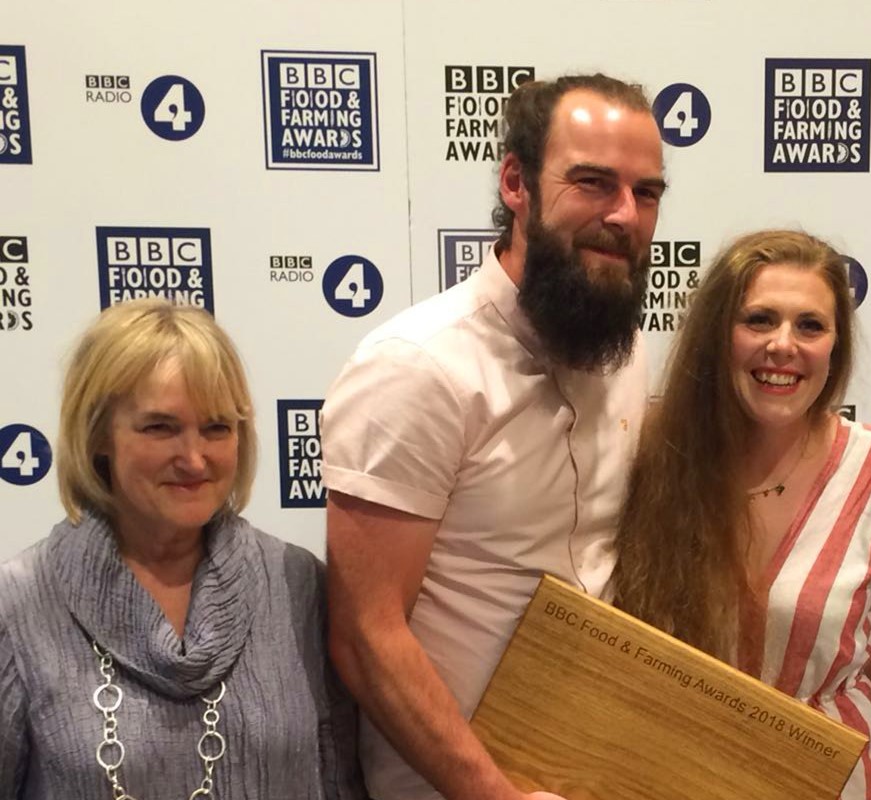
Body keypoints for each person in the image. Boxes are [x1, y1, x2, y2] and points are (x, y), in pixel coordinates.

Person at [320, 73, 666, 800]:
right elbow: (365, 637)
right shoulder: (416, 368)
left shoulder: (626, 350)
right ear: (517, 182)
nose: (625, 215)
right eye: (594, 183)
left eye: (648, 192)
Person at [0, 298, 365, 799]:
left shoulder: (297, 583)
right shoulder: (17, 607)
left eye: (217, 427)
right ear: (97, 435)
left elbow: (342, 782)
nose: (194, 459)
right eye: (160, 427)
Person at [612, 229, 871, 800]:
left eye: (810, 325)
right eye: (758, 319)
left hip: (833, 782)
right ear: (717, 336)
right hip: (672, 778)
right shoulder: (653, 450)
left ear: (835, 346)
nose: (783, 345)